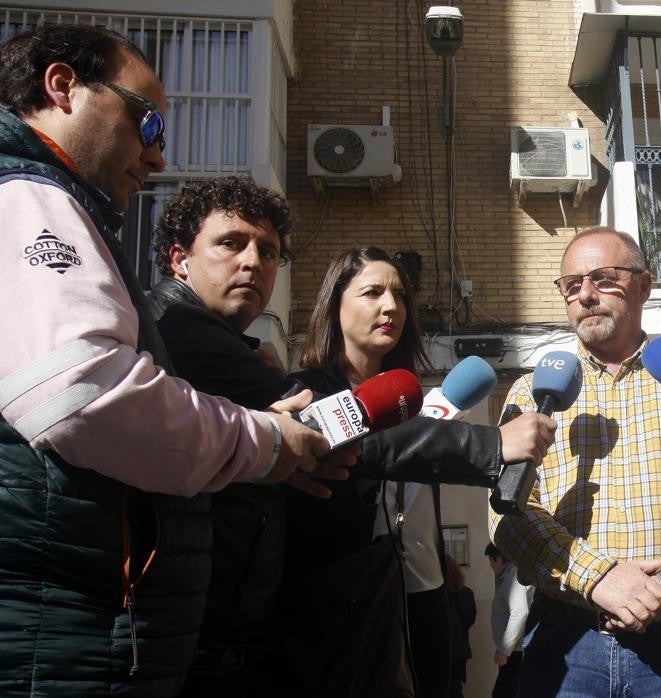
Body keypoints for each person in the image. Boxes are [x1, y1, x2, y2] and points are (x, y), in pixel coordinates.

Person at [0, 24, 342, 696]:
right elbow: (86, 396)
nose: (157, 155)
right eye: (146, 120)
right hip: (63, 650)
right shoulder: (28, 197)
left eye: (269, 252)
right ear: (62, 86)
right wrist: (265, 438)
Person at [492, 226, 661, 697]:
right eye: (571, 285)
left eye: (603, 278)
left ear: (645, 285)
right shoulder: (529, 393)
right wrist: (599, 578)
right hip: (564, 640)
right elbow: (508, 513)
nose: (586, 295)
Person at [282, 246, 556, 697]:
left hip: (426, 596)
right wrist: (491, 444)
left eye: (399, 296)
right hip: (340, 605)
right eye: (371, 292)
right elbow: (364, 449)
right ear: (335, 306)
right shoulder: (306, 393)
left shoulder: (418, 403)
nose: (390, 306)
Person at [147, 176, 301, 696]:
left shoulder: (237, 345)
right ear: (179, 258)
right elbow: (322, 427)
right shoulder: (178, 327)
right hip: (193, 642)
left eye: (269, 252)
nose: (254, 262)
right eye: (231, 243)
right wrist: (484, 446)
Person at [486, 542, 534, 698]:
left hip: (517, 652)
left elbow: (520, 612)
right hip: (515, 652)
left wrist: (504, 649)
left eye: (491, 561)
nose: (491, 566)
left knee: (502, 694)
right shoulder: (509, 576)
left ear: (499, 559)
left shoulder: (512, 577)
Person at [444, 557, 477, 698]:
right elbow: (470, 620)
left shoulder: (435, 596)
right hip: (459, 650)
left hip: (440, 651)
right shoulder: (467, 593)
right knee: (456, 689)